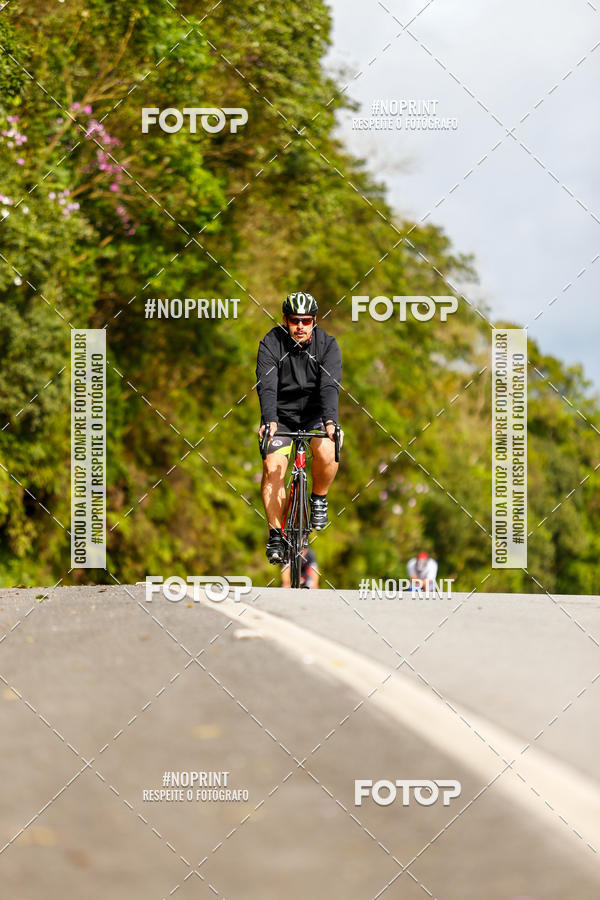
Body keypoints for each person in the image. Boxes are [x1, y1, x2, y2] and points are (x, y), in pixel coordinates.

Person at [256, 291, 342, 563]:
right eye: (295, 321)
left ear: (314, 320)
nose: (300, 326)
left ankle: (318, 497)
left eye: (306, 320)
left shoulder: (327, 345)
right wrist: (269, 419)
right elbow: (266, 384)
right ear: (285, 320)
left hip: (316, 415)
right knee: (272, 469)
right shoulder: (271, 343)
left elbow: (329, 386)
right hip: (280, 417)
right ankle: (275, 535)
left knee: (329, 449)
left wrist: (330, 421)